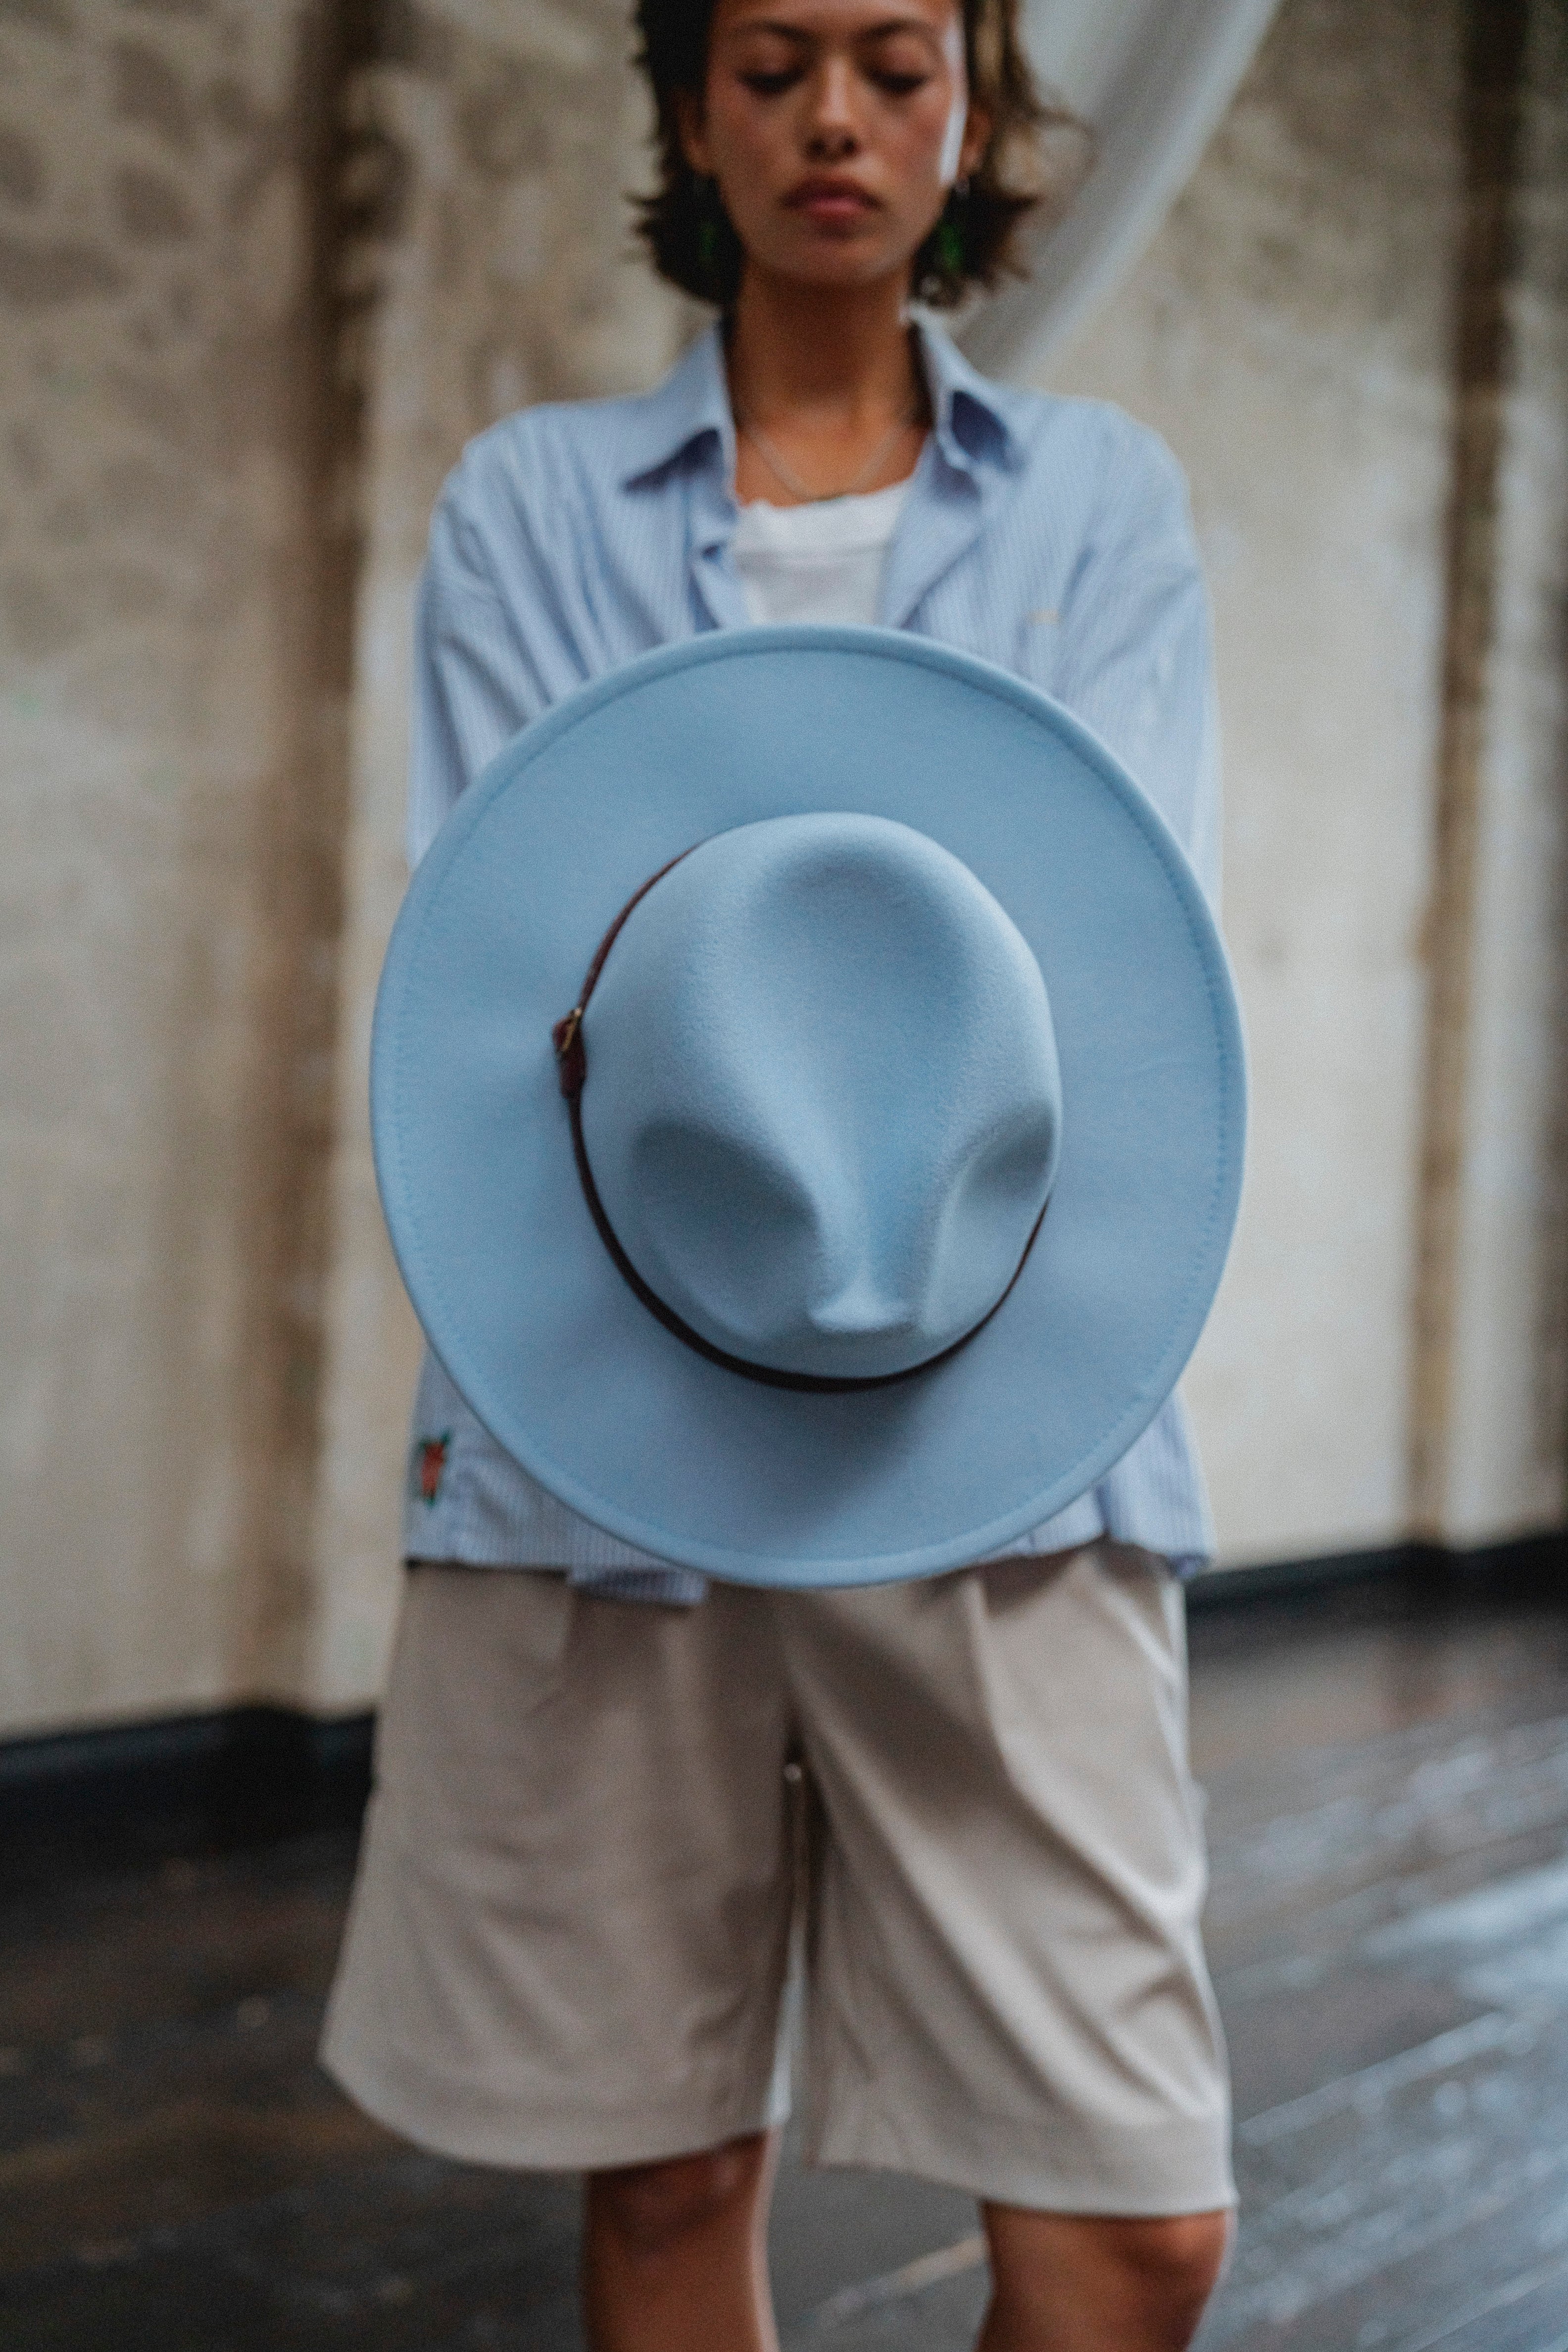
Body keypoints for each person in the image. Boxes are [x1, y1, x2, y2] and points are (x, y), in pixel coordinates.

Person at [322, 4, 1237, 2347]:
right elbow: (488, 971)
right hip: (603, 1421)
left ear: (976, 108)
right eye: (773, 61)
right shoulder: (531, 504)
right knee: (665, 2174)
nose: (836, 117)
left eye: (896, 61)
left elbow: (1130, 984)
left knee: (1138, 2230)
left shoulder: (1096, 503)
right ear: (692, 111)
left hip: (1009, 1422)